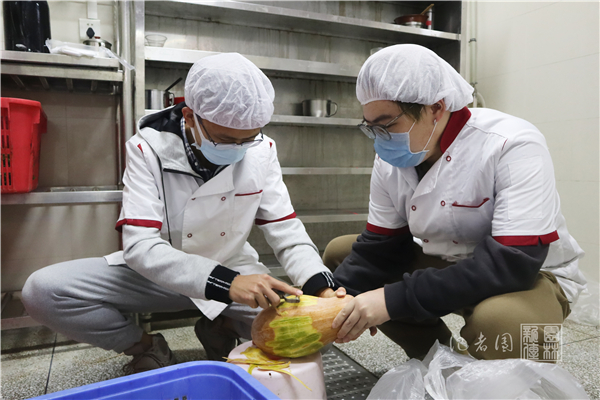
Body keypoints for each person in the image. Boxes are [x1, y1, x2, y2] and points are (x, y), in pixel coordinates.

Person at [22, 53, 339, 373]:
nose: (238, 149)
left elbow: (285, 229)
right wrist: (227, 283)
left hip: (232, 266)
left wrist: (320, 286)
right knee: (43, 291)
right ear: (189, 116)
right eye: (225, 139)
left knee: (316, 335)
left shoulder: (262, 151)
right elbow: (140, 246)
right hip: (159, 274)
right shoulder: (148, 149)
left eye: (247, 140)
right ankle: (146, 347)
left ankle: (221, 326)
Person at [325, 44, 587, 361]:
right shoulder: (392, 161)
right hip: (449, 262)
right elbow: (380, 248)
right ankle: (440, 362)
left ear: (436, 108)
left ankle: (522, 376)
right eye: (372, 128)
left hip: (530, 275)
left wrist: (392, 300)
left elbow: (512, 265)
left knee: (502, 323)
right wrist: (324, 302)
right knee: (341, 253)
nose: (381, 139)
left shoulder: (511, 143)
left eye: (388, 125)